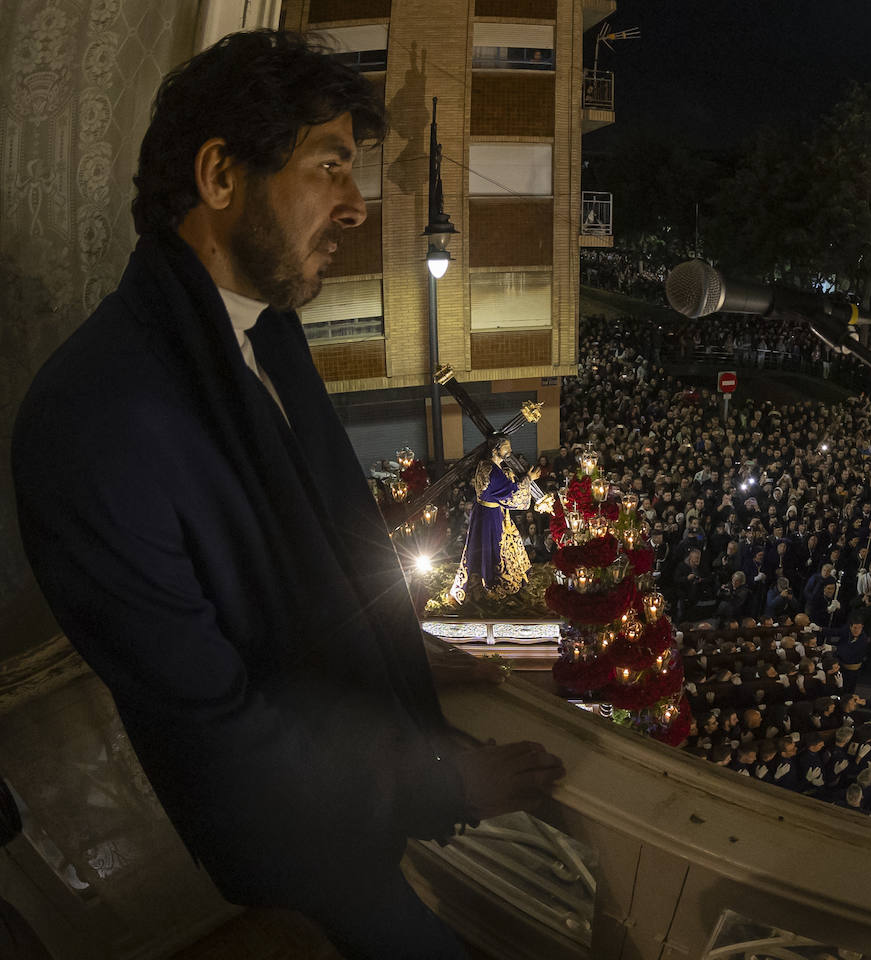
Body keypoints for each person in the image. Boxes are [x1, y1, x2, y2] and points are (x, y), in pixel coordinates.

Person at [11, 31, 562, 959]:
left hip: (366, 784)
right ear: (221, 176)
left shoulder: (266, 338)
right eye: (329, 166)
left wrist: (398, 655)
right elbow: (215, 733)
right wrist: (440, 790)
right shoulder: (89, 420)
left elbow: (304, 570)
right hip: (305, 855)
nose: (354, 206)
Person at [450, 435, 541, 604]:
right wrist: (529, 479)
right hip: (491, 517)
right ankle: (493, 583)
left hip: (481, 513)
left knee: (479, 547)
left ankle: (479, 578)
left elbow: (498, 485)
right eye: (506, 447)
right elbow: (511, 493)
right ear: (495, 450)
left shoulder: (484, 464)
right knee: (494, 547)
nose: (510, 450)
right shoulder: (494, 472)